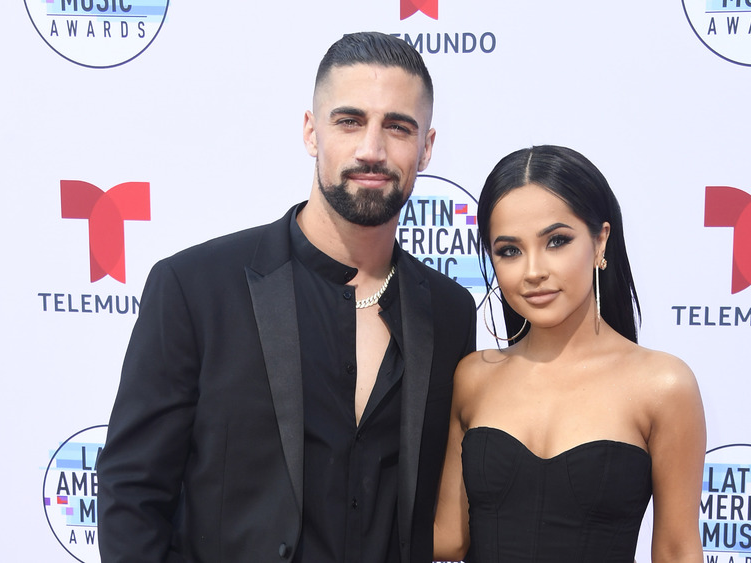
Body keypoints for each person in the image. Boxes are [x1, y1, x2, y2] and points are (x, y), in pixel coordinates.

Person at [97, 32, 476, 563]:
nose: (372, 149)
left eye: (397, 126)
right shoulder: (196, 288)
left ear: (426, 146)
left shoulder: (451, 310)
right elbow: (131, 493)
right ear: (311, 132)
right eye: (349, 121)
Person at [433, 145, 706, 562]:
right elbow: (449, 537)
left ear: (600, 242)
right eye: (509, 250)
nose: (533, 271)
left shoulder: (662, 386)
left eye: (557, 241)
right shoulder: (474, 377)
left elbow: (675, 551)